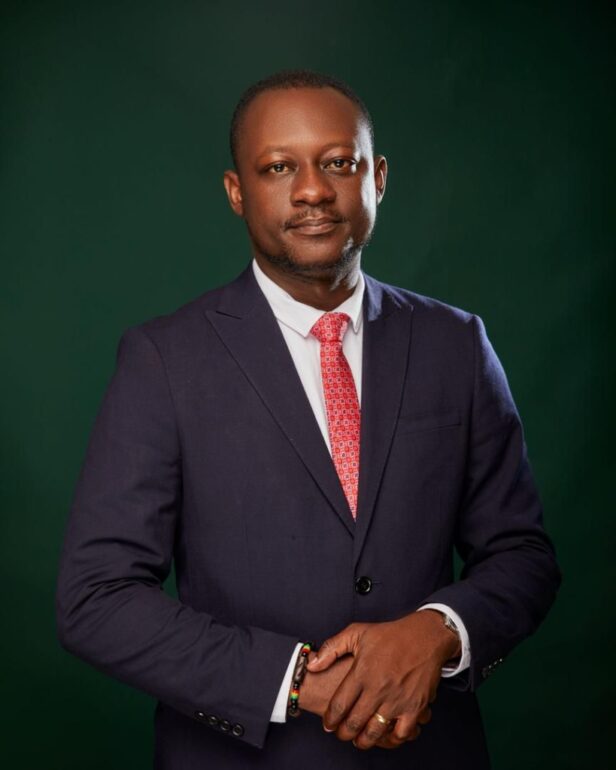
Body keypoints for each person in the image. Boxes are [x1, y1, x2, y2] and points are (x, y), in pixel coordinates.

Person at [56, 70, 561, 769]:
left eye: (339, 163)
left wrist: (438, 630)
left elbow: (523, 556)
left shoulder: (456, 344)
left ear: (377, 178)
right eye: (278, 167)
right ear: (237, 192)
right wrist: (295, 681)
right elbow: (97, 598)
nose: (314, 191)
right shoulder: (164, 360)